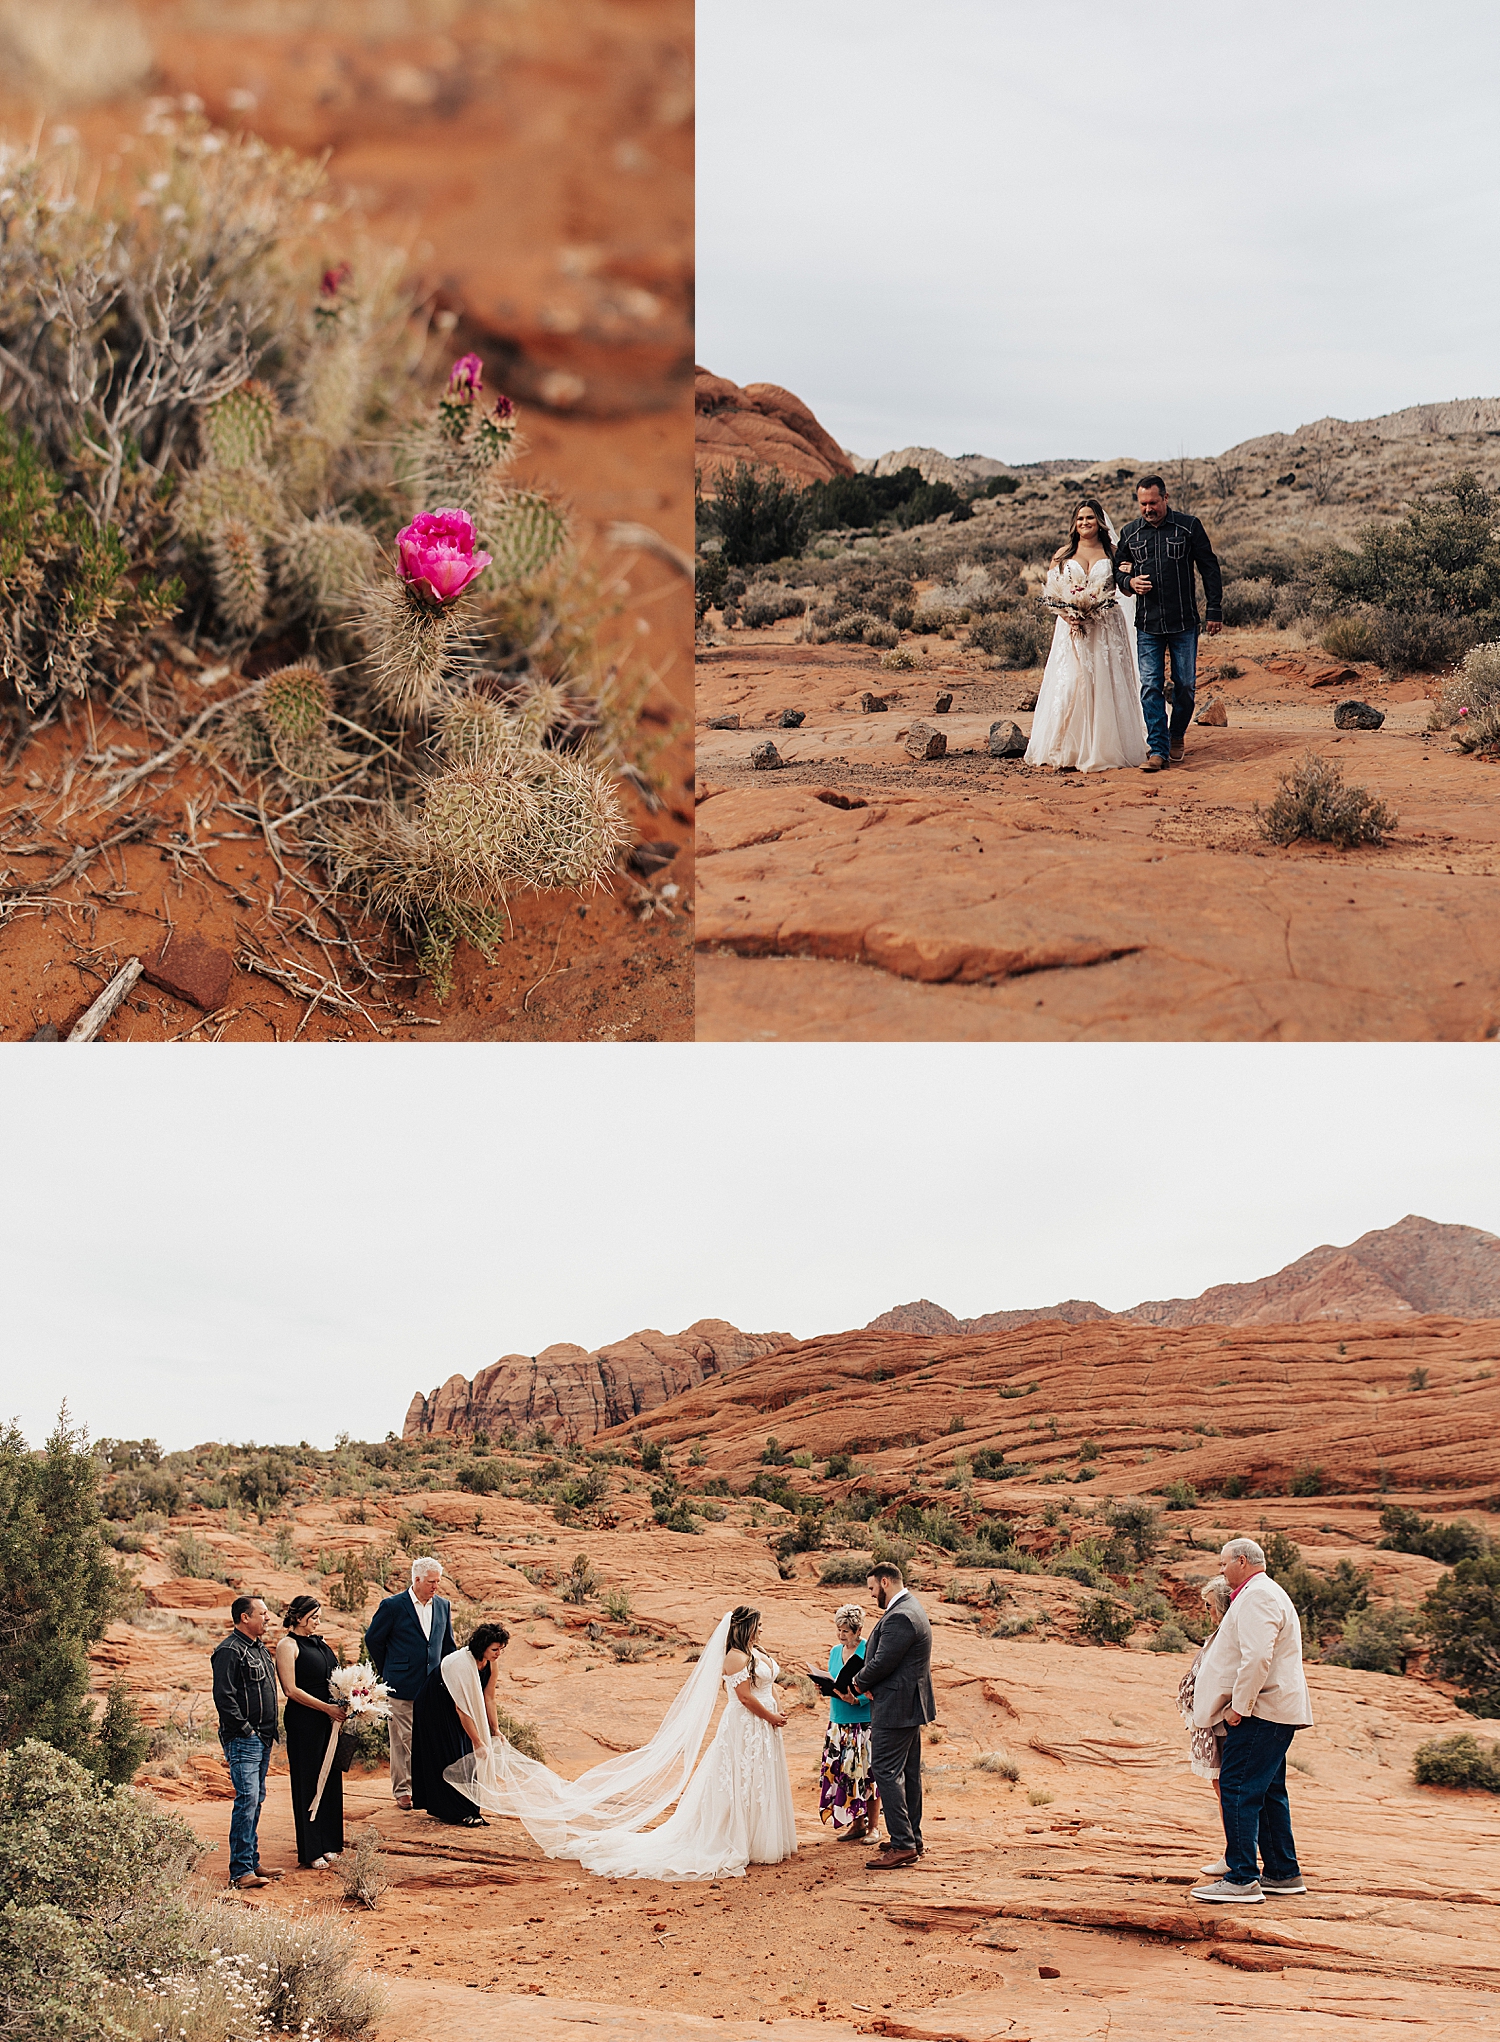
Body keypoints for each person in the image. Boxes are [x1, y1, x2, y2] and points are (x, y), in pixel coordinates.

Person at [444, 1604, 798, 1881]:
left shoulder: (757, 1651)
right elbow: (746, 1697)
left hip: (763, 1727)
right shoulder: (735, 1657)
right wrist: (770, 1716)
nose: (762, 1630)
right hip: (748, 1724)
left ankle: (758, 1837)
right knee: (739, 1781)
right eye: (759, 1625)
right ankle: (737, 1839)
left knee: (759, 1780)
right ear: (746, 1626)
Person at [1190, 1538, 1313, 1905]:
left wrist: (1239, 1707)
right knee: (1269, 1792)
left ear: (1242, 1560)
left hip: (1261, 1711)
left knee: (1238, 1788)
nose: (1221, 1570)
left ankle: (1242, 1878)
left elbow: (1258, 1656)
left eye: (1224, 1562)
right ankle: (1282, 1873)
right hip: (1273, 1710)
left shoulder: (1258, 1595)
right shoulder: (1262, 1591)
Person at [1026, 498, 1148, 772]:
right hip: (1072, 628)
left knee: (1104, 684)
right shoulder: (1063, 555)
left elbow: (1124, 590)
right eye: (1080, 519)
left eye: (1090, 518)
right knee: (1071, 682)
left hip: (1105, 628)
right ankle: (1066, 747)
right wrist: (1066, 613)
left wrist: (1129, 576)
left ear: (1100, 522)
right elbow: (1052, 591)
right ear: (1074, 523)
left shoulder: (1114, 551)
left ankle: (1103, 748)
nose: (1085, 523)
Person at [1113, 475, 1223, 772]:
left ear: (1166, 498)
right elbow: (1116, 573)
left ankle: (1176, 734)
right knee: (1150, 685)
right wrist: (1130, 581)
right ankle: (1158, 749)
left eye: (1153, 502)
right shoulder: (1131, 534)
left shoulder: (1188, 527)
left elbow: (1209, 568)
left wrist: (1215, 609)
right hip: (1148, 624)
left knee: (1185, 686)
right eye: (1143, 504)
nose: (1148, 509)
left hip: (1183, 622)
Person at [849, 1563, 935, 1871]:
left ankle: (903, 1845)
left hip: (896, 1707)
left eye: (873, 1589)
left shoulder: (900, 1615)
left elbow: (884, 1661)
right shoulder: (912, 1608)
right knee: (908, 1774)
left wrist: (858, 1682)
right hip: (908, 1704)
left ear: (886, 1581)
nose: (873, 1595)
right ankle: (913, 1838)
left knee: (885, 1769)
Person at [364, 1558, 457, 1810]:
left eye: (438, 1581)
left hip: (433, 1686)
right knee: (402, 1740)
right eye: (431, 1582)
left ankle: (427, 1789)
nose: (435, 1586)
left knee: (430, 1739)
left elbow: (447, 1645)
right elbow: (373, 1640)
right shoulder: (393, 1606)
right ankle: (403, 1790)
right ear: (416, 1579)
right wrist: (389, 1670)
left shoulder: (443, 1606)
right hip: (401, 1685)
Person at [210, 1594, 282, 1891]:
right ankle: (240, 1871)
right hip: (245, 1739)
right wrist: (245, 1729)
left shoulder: (259, 1648)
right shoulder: (229, 1650)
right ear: (245, 1617)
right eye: (263, 1613)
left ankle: (251, 1860)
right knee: (247, 1800)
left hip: (263, 1737)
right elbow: (223, 1697)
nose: (268, 1618)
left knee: (256, 1800)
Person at [274, 1595, 347, 1869]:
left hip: (330, 1719)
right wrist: (326, 1709)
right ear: (298, 1617)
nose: (318, 1621)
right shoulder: (287, 1645)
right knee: (308, 1781)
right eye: (314, 1616)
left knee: (330, 1778)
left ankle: (329, 1843)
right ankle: (311, 1849)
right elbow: (291, 1690)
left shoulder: (322, 1643)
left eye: (319, 1617)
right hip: (305, 1720)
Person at [411, 1623, 509, 1826]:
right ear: (482, 1647)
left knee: (467, 1754)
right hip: (435, 1706)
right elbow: (462, 1709)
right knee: (454, 1752)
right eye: (495, 1649)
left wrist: (494, 1729)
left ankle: (467, 1808)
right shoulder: (461, 1664)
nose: (499, 1653)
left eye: (501, 1649)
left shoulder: (491, 1663)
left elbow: (488, 1697)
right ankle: (458, 1811)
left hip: (456, 1706)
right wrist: (478, 1741)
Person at [804, 1604, 879, 1842]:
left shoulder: (870, 1649)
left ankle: (874, 1827)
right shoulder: (835, 1651)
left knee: (867, 1775)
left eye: (846, 1630)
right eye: (839, 1630)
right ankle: (856, 1823)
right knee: (845, 1775)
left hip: (862, 1723)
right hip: (837, 1722)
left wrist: (856, 1700)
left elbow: (876, 1688)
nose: (841, 1635)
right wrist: (824, 1686)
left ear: (858, 1629)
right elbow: (836, 1682)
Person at [1175, 1576, 1233, 1873]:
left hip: (1222, 1722)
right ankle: (1233, 1854)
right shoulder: (1221, 1633)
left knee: (1227, 1791)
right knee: (1222, 1788)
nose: (1206, 1611)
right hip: (1214, 1720)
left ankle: (1235, 1858)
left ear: (1223, 1605)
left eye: (1209, 1605)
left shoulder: (1228, 1634)